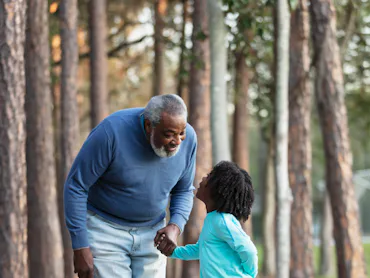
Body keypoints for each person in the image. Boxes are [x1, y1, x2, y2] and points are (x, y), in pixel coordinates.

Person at [64, 94, 197, 278]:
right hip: (105, 232)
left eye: (181, 133)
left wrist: (175, 226)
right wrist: (80, 246)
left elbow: (184, 189)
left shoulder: (189, 139)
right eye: (168, 135)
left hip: (153, 235)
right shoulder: (111, 132)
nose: (177, 142)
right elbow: (76, 186)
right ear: (149, 125)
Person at [155, 161, 258, 278]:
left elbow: (249, 250)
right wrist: (173, 252)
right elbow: (200, 250)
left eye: (209, 177)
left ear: (218, 189)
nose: (204, 177)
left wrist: (250, 274)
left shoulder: (222, 221)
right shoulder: (213, 219)